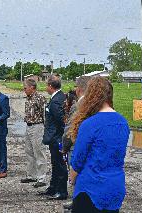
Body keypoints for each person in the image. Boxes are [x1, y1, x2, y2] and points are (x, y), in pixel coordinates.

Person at [68, 77, 129, 213]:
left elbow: (77, 160)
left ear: (91, 96)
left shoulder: (90, 124)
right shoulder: (123, 122)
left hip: (90, 188)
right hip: (115, 186)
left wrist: (72, 179)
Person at [61, 76, 90, 211]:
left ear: (79, 89)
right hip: (87, 145)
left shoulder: (78, 105)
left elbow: (70, 128)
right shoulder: (93, 104)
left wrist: (65, 146)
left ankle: (77, 203)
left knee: (75, 176)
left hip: (75, 145)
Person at [38, 75, 68, 200]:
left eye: (46, 85)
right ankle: (53, 188)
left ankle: (61, 191)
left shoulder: (56, 100)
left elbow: (61, 121)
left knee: (59, 164)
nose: (46, 87)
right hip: (55, 137)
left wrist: (59, 137)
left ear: (50, 86)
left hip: (57, 138)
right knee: (55, 164)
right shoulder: (59, 97)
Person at [20, 78, 47, 188]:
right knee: (29, 151)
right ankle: (32, 175)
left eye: (25, 88)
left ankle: (41, 178)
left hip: (37, 126)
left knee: (39, 152)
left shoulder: (40, 98)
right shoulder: (28, 98)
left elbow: (44, 114)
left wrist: (45, 129)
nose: (24, 90)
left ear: (32, 87)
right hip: (29, 126)